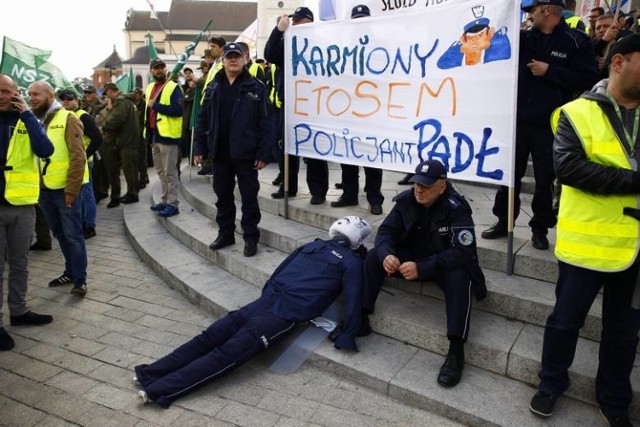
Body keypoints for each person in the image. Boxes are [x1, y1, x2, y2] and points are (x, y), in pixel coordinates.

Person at [133, 216, 371, 408]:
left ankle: (149, 374)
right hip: (282, 316)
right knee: (225, 356)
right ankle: (158, 391)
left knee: (206, 339)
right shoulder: (352, 263)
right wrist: (347, 335)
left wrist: (267, 297)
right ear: (358, 241)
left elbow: (278, 273)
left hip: (260, 304)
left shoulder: (312, 245)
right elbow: (352, 299)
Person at [528, 35, 640, 427]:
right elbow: (571, 169)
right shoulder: (576, 112)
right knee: (564, 322)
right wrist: (636, 180)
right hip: (586, 246)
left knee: (624, 334)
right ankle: (550, 383)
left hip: (635, 251)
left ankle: (614, 401)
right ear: (619, 61)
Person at [481, 0, 598, 250]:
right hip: (517, 122)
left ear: (546, 10)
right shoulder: (522, 38)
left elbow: (589, 78)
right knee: (509, 175)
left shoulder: (577, 41)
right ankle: (504, 221)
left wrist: (551, 71)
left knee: (545, 180)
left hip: (551, 125)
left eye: (532, 10)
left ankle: (540, 228)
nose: (529, 16)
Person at [362, 159, 486, 388]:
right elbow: (386, 233)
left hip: (440, 263)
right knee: (373, 256)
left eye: (426, 185)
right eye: (417, 183)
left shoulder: (457, 208)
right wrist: (387, 255)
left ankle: (456, 352)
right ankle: (360, 317)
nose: (419, 189)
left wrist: (423, 268)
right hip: (412, 259)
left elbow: (463, 252)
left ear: (442, 185)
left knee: (461, 276)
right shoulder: (407, 200)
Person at [193, 43, 274, 257]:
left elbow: (267, 122)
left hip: (246, 154)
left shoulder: (255, 86)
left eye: (237, 56)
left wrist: (263, 152)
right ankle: (226, 233)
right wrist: (199, 147)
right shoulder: (213, 87)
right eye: (229, 56)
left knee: (249, 198)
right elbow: (202, 119)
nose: (233, 60)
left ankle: (250, 238)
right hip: (220, 153)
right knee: (223, 197)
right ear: (223, 60)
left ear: (244, 59)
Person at [0, 74, 55, 351]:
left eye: (8, 91)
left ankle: (19, 311)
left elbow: (46, 149)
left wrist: (28, 116)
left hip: (22, 205)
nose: (3, 96)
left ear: (16, 93)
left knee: (20, 263)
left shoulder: (26, 118)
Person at [30, 81, 89, 296]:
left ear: (50, 95)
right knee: (59, 234)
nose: (32, 98)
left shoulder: (68, 118)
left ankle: (80, 279)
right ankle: (70, 271)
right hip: (45, 190)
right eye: (30, 94)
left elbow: (78, 156)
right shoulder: (37, 120)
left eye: (36, 94)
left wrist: (72, 190)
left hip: (66, 190)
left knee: (73, 235)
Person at [265, 7, 328, 205]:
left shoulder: (320, 41)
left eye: (301, 21)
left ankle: (318, 190)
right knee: (288, 148)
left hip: (313, 103)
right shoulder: (287, 41)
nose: (296, 24)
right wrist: (278, 31)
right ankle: (288, 186)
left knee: (315, 148)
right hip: (291, 103)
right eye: (295, 21)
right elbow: (270, 55)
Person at [331, 5, 384, 216]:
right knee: (348, 157)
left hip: (373, 112)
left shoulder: (380, 47)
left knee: (372, 159)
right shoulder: (344, 47)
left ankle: (374, 198)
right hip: (348, 111)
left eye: (363, 18)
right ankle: (350, 194)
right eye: (357, 19)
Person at [58, 89, 103, 239]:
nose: (65, 101)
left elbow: (97, 138)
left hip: (83, 163)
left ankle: (89, 226)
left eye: (69, 99)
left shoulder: (82, 116)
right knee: (80, 195)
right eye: (63, 99)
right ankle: (83, 224)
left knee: (86, 195)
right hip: (73, 163)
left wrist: (84, 156)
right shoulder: (65, 115)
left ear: (76, 100)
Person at [144, 58, 184, 218]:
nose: (159, 70)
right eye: (156, 68)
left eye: (161, 67)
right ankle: (165, 199)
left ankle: (173, 204)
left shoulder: (173, 87)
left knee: (170, 173)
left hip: (168, 137)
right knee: (160, 172)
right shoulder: (150, 87)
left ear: (165, 69)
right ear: (151, 71)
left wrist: (157, 105)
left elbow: (178, 110)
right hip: (154, 135)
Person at [101, 82, 140, 206]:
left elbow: (116, 119)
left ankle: (132, 194)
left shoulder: (121, 102)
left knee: (129, 168)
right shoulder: (127, 101)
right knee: (130, 168)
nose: (107, 97)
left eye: (107, 94)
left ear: (111, 91)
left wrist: (104, 126)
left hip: (126, 140)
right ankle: (131, 192)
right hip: (129, 139)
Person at [128, 88, 148, 188]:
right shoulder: (132, 105)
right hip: (133, 135)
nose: (134, 95)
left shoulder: (145, 105)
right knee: (137, 158)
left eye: (136, 93)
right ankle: (145, 176)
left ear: (140, 95)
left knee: (142, 158)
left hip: (142, 134)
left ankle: (143, 179)